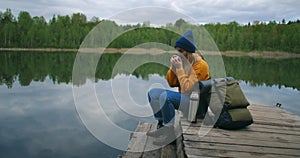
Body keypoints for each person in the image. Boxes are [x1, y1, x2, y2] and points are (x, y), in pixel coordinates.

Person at [147, 30, 210, 145]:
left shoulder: (201, 66)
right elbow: (171, 83)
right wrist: (173, 67)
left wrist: (180, 69)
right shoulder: (185, 63)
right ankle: (162, 125)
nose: (178, 54)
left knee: (165, 97)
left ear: (189, 52)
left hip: (196, 104)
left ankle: (170, 133)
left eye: (181, 51)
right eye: (177, 51)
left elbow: (187, 88)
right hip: (185, 99)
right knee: (153, 93)